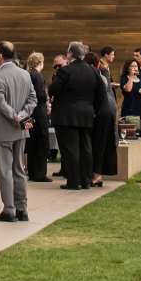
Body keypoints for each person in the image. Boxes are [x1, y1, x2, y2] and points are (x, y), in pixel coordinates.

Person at [0, 41, 36, 223]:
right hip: (22, 128)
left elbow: (1, 105)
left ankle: (9, 209)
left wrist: (15, 117)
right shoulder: (25, 74)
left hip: (6, 129)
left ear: (1, 56)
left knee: (5, 170)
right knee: (19, 169)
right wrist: (23, 116)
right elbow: (33, 99)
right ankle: (22, 208)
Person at [50, 43, 101, 191]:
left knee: (70, 149)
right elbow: (100, 94)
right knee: (86, 148)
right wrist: (92, 109)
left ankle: (73, 181)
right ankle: (85, 180)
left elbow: (54, 89)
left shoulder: (65, 71)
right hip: (87, 114)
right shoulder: (93, 71)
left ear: (71, 54)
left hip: (67, 115)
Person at [91, 46, 121, 181]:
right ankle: (97, 174)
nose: (114, 57)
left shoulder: (101, 69)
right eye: (113, 54)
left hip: (104, 109)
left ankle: (97, 174)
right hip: (106, 108)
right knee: (103, 142)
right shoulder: (102, 68)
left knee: (101, 142)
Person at [25, 51, 55, 186]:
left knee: (32, 141)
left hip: (31, 112)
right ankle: (40, 173)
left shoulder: (28, 75)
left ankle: (32, 171)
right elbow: (41, 95)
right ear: (39, 63)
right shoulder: (38, 76)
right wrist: (48, 99)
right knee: (42, 140)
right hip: (39, 111)